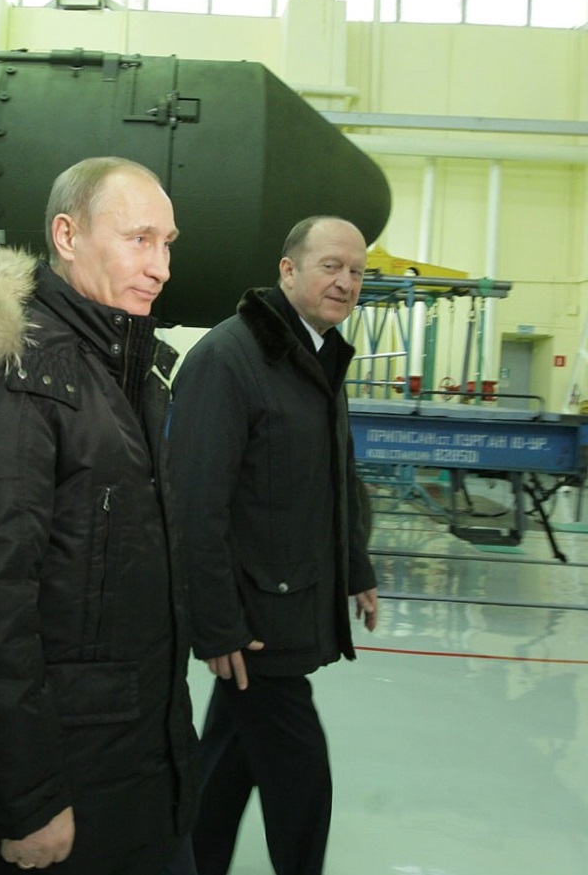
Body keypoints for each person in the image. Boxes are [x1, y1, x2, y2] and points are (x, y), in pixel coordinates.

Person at [0, 156, 197, 874]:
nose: (161, 267)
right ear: (68, 236)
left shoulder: (122, 372)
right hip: (67, 780)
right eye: (139, 239)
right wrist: (27, 796)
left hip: (135, 761)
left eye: (167, 244)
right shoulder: (12, 378)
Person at [167, 215, 379, 875]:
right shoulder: (228, 360)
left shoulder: (318, 354)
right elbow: (195, 504)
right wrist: (218, 624)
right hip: (255, 621)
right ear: (288, 270)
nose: (345, 282)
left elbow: (336, 477)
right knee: (302, 776)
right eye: (330, 266)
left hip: (289, 600)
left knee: (228, 762)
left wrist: (356, 566)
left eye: (356, 271)